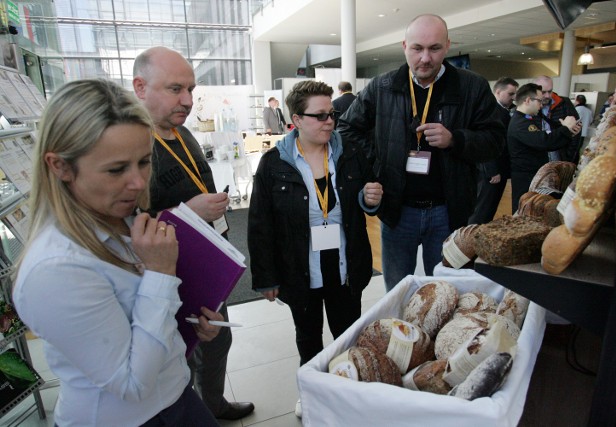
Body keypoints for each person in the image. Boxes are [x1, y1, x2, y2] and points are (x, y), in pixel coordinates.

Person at [11, 78, 223, 426]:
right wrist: (159, 274)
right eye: (116, 169)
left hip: (177, 397)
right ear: (59, 166)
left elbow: (137, 323)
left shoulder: (120, 216)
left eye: (143, 161)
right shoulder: (54, 268)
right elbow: (131, 382)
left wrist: (189, 323)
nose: (139, 182)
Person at [338, 14, 504, 290]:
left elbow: (495, 140)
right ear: (405, 46)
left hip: (448, 211)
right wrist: (378, 158)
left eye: (434, 48)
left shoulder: (471, 86)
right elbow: (347, 129)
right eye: (417, 48)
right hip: (397, 209)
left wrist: (456, 140)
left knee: (447, 290)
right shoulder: (382, 87)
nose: (425, 57)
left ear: (447, 46)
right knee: (398, 290)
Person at [133, 46, 255, 421]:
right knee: (177, 353)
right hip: (160, 278)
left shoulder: (182, 132)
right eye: (175, 89)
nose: (188, 100)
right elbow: (128, 225)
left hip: (206, 261)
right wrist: (188, 213)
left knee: (217, 339)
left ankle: (212, 405)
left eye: (191, 89)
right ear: (140, 87)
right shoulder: (132, 145)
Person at [247, 80, 383, 416]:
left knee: (346, 333)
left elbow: (365, 200)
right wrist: (266, 277)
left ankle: (347, 389)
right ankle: (312, 392)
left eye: (332, 114)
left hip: (344, 263)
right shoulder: (273, 163)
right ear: (296, 119)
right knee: (307, 336)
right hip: (298, 266)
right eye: (319, 115)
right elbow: (260, 224)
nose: (329, 121)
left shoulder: (349, 153)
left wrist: (370, 201)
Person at [508, 83, 580, 213]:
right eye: (539, 101)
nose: (541, 105)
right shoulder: (520, 123)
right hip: (525, 176)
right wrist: (565, 129)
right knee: (523, 211)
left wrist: (568, 132)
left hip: (532, 172)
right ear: (528, 100)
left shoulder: (530, 119)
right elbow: (544, 142)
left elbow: (547, 138)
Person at [470, 77, 519, 224]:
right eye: (510, 94)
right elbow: (485, 142)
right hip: (491, 171)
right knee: (483, 209)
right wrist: (492, 170)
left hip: (498, 169)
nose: (513, 98)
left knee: (489, 208)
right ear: (498, 92)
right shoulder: (491, 111)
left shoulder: (503, 111)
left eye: (515, 94)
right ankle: (470, 240)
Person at [533, 75, 581, 164]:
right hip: (538, 158)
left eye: (550, 91)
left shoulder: (564, 103)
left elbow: (576, 132)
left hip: (560, 156)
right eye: (543, 92)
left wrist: (568, 156)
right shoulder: (530, 108)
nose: (547, 95)